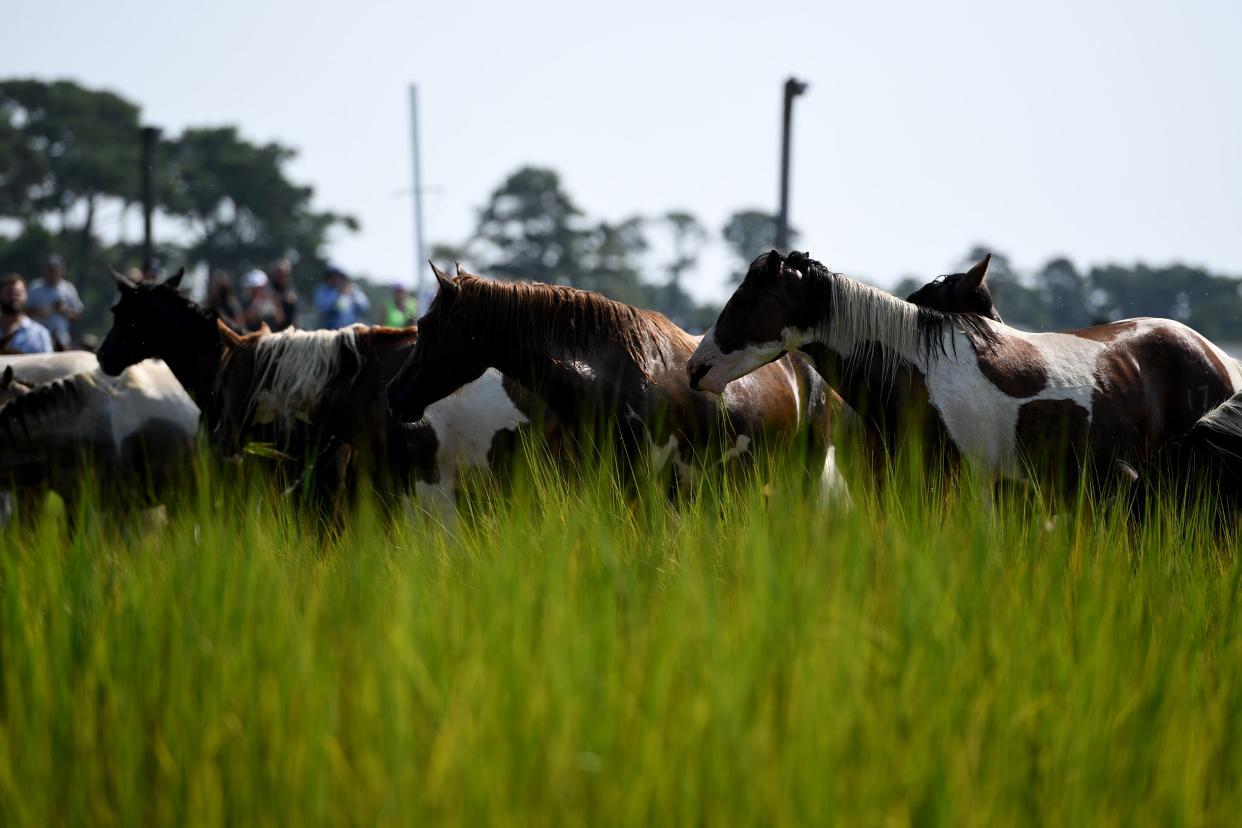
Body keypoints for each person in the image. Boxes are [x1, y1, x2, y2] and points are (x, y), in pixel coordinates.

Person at [26, 253, 83, 350]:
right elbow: (23, 311)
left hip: (61, 339)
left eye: (55, 270)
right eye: (49, 270)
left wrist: (63, 310)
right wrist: (37, 311)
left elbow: (77, 314)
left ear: (61, 270)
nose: (52, 273)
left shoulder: (68, 288)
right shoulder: (35, 287)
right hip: (36, 340)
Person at [0, 274, 54, 354]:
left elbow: (48, 364)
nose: (13, 297)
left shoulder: (40, 334)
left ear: (26, 296)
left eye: (18, 293)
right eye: (9, 293)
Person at [313, 264, 370, 329]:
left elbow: (365, 306)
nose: (335, 279)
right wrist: (337, 294)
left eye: (338, 276)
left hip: (352, 329)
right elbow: (321, 307)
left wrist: (352, 296)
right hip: (331, 329)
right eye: (332, 276)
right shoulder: (323, 290)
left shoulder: (353, 288)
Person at [269, 257, 299, 330]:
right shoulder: (269, 290)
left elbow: (294, 314)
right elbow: (278, 319)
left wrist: (297, 330)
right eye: (281, 274)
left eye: (286, 275)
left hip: (289, 330)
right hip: (274, 332)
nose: (284, 278)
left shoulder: (290, 290)